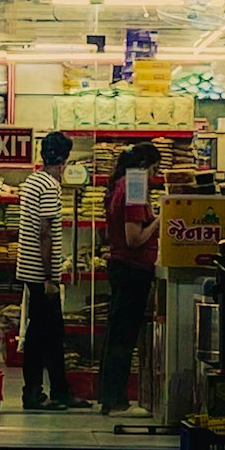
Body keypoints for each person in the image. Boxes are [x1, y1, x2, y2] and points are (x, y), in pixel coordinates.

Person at [15, 131, 90, 412]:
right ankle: (36, 393)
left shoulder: (33, 181)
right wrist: (49, 277)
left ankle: (56, 389)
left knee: (48, 332)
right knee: (42, 334)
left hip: (31, 269)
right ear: (64, 160)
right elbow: (45, 232)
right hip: (40, 274)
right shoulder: (49, 186)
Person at [98, 143, 161, 417]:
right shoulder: (134, 185)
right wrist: (161, 219)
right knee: (124, 336)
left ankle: (109, 397)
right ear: (146, 165)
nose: (155, 176)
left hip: (122, 267)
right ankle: (117, 401)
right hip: (133, 269)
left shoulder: (120, 183)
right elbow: (134, 238)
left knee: (116, 334)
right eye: (155, 169)